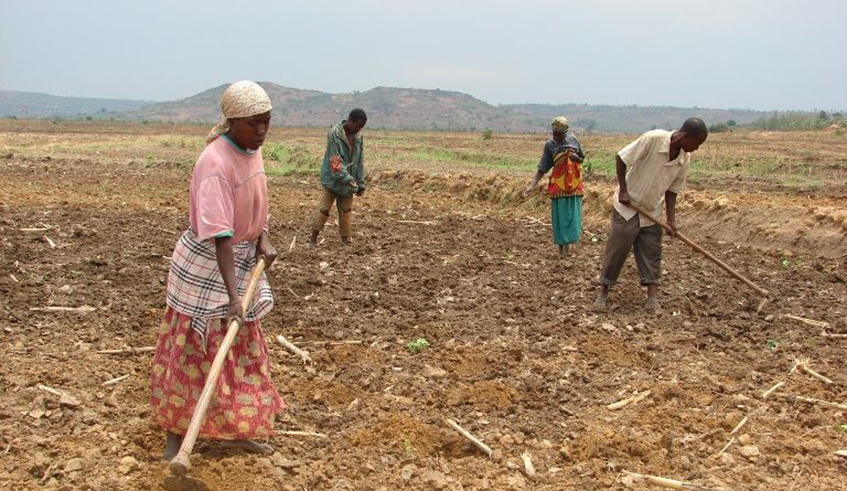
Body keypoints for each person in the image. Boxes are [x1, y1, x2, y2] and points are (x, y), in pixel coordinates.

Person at [150, 81, 284, 460]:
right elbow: (219, 236)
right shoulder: (214, 162)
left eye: (266, 123)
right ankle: (176, 438)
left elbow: (255, 201)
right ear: (232, 122)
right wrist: (232, 298)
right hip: (208, 265)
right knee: (193, 350)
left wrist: (262, 238)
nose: (261, 132)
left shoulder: (250, 151)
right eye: (253, 124)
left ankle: (235, 430)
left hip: (240, 259)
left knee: (238, 349)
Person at [593, 118, 708, 313]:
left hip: (652, 209)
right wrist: (623, 190)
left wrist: (671, 220)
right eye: (696, 143)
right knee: (618, 248)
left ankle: (652, 298)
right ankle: (603, 292)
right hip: (628, 206)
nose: (696, 149)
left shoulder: (683, 159)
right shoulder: (652, 140)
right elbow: (621, 158)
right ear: (686, 136)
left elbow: (673, 189)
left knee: (652, 252)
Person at [524, 116, 585, 258]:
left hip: (574, 184)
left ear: (565, 133)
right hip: (558, 185)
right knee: (560, 218)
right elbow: (543, 167)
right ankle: (561, 250)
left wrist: (577, 159)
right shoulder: (550, 145)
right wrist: (532, 185)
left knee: (573, 217)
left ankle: (570, 247)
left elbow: (582, 158)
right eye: (554, 133)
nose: (555, 136)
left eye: (558, 134)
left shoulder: (573, 141)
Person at [309, 109, 368, 247]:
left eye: (361, 128)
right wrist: (349, 179)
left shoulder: (358, 137)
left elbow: (359, 161)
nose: (358, 130)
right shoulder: (335, 134)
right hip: (333, 179)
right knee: (324, 209)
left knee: (346, 210)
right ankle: (313, 239)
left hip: (349, 180)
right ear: (350, 120)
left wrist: (360, 182)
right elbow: (335, 162)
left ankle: (345, 241)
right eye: (357, 126)